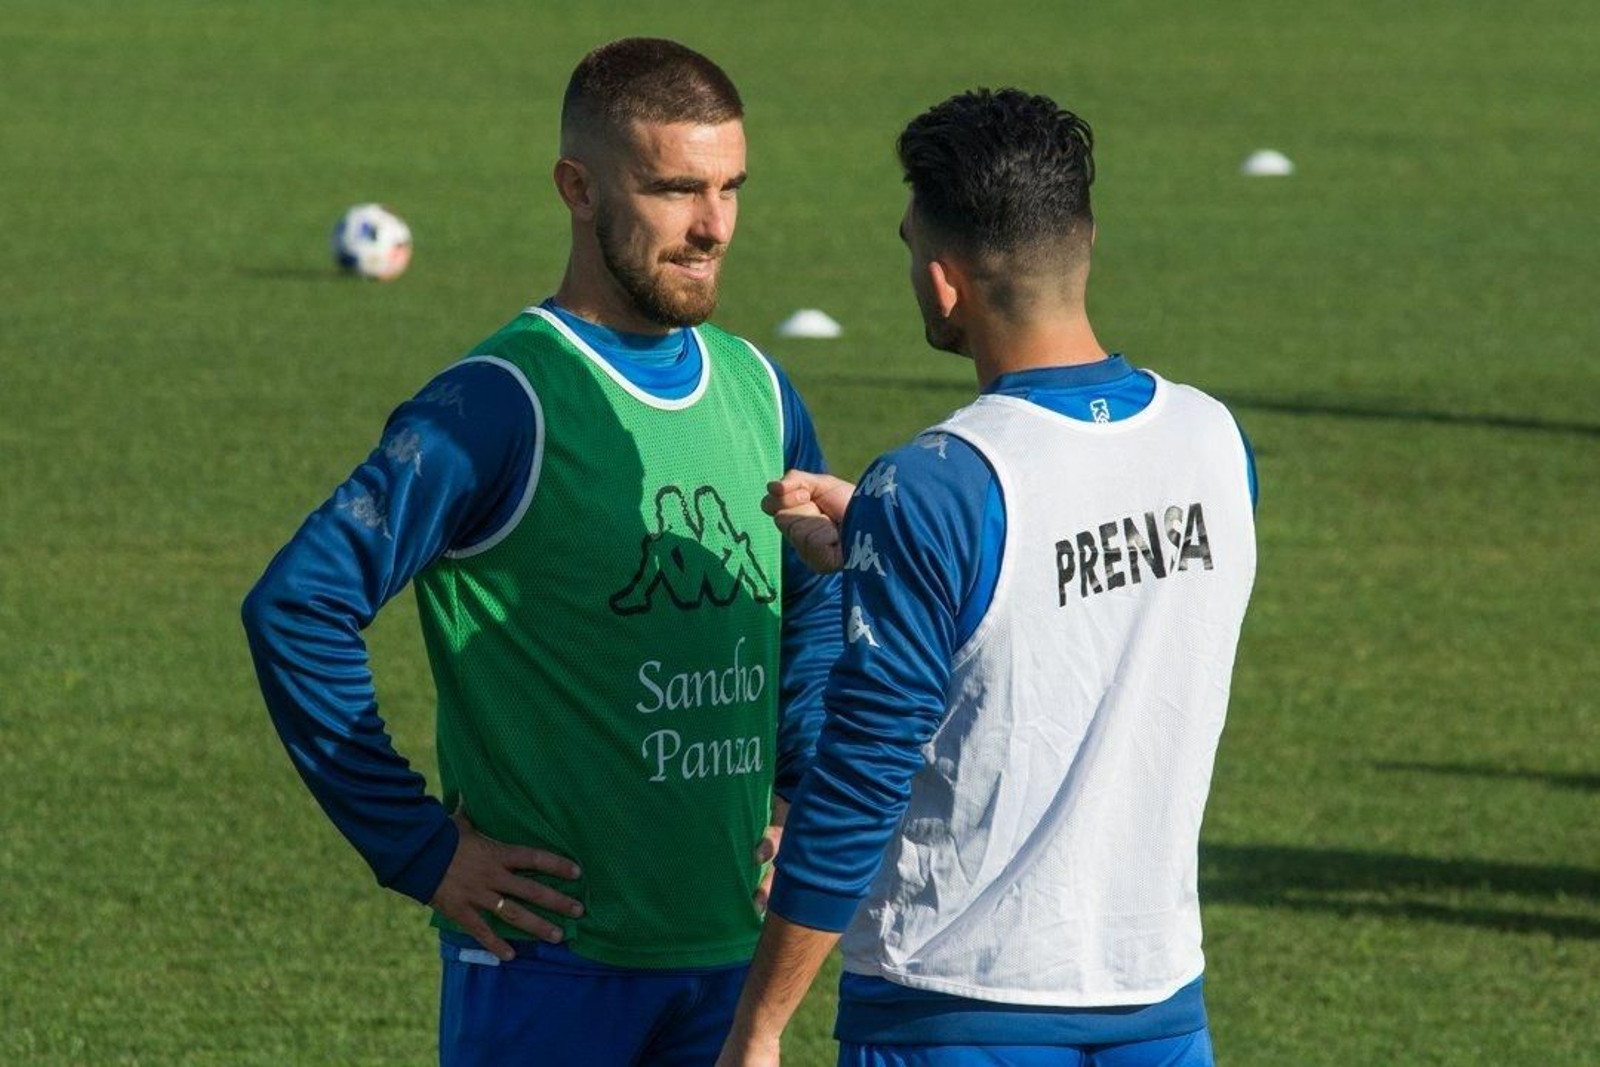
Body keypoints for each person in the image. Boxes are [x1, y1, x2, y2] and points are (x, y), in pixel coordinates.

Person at [241, 37, 841, 1067]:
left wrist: (798, 780)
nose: (712, 227)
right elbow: (298, 604)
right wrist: (420, 847)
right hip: (547, 969)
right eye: (674, 189)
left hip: (730, 960)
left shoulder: (758, 388)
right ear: (578, 186)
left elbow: (814, 594)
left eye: (730, 187)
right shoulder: (498, 402)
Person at [716, 89, 1258, 1067]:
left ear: (941, 280)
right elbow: (1071, 607)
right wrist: (878, 542)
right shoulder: (1214, 443)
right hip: (1158, 1003)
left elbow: (861, 774)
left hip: (953, 1009)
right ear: (1083, 240)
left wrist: (759, 1021)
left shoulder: (935, 484)